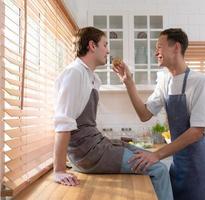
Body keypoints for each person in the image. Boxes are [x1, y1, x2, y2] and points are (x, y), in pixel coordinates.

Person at [53, 26, 173, 200]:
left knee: (147, 156)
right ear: (92, 46)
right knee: (159, 169)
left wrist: (128, 81)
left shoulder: (92, 77)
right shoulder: (74, 73)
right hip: (88, 153)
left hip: (96, 146)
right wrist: (58, 170)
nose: (108, 51)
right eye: (105, 44)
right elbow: (63, 123)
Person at [113, 28, 205, 200]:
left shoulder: (200, 82)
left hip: (199, 165)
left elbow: (197, 131)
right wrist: (129, 83)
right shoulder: (165, 80)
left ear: (176, 47)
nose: (155, 52)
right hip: (179, 163)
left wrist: (156, 154)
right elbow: (144, 114)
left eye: (159, 47)